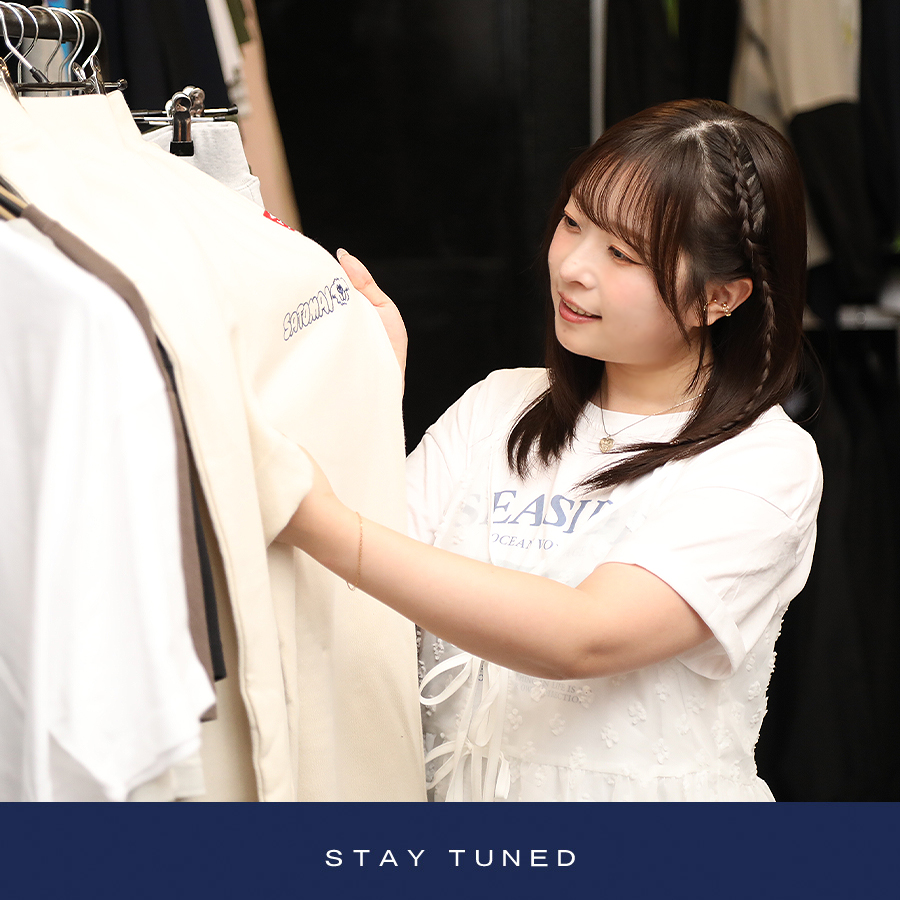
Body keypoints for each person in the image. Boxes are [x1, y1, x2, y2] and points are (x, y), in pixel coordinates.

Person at [278, 98, 823, 801]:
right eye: (573, 223)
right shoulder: (497, 405)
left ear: (719, 298)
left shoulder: (764, 462)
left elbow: (584, 636)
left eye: (623, 254)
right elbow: (351, 592)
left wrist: (319, 520)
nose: (573, 268)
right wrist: (366, 399)